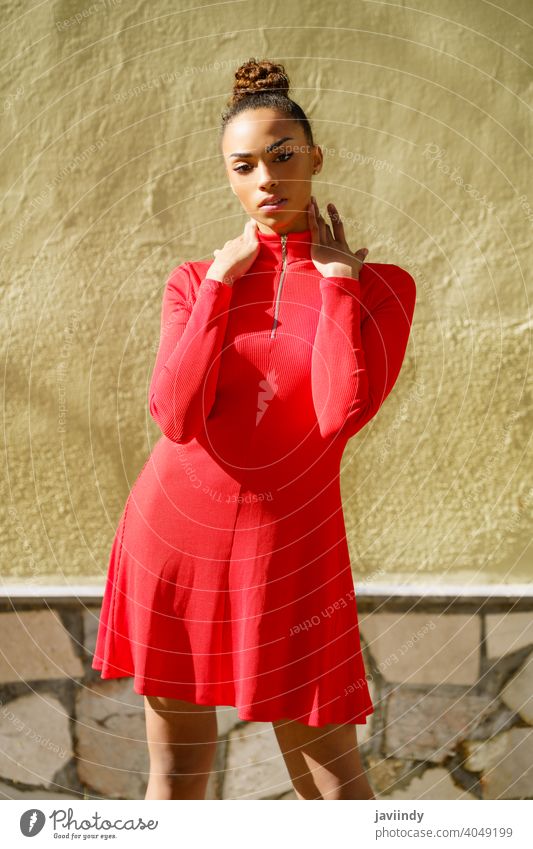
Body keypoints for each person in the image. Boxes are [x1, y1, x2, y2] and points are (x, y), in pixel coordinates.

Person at [91, 57, 417, 801]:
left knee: (337, 794)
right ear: (228, 177)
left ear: (313, 158)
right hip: (173, 541)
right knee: (175, 780)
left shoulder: (382, 290)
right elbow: (174, 416)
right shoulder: (192, 281)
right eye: (245, 165)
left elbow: (337, 416)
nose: (266, 177)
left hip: (291, 559)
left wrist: (336, 286)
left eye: (282, 155)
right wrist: (215, 286)